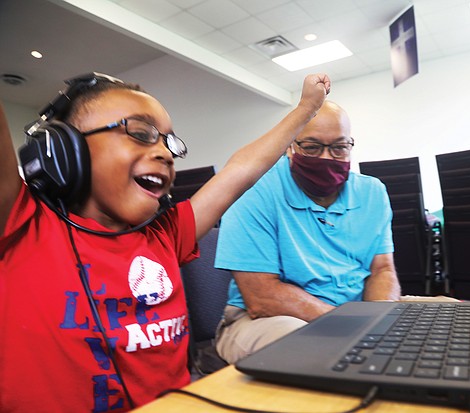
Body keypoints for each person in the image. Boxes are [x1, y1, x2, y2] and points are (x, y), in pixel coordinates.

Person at [0, 72, 330, 412]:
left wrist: (307, 108)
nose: (165, 153)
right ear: (64, 150)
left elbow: (241, 169)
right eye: (141, 134)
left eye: (169, 143)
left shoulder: (167, 234)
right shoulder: (19, 223)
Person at [214, 101, 401, 364]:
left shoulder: (373, 192)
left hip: (357, 311)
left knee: (453, 317)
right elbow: (261, 297)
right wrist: (353, 326)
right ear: (289, 146)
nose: (326, 158)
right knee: (316, 349)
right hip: (270, 320)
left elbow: (382, 269)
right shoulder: (253, 190)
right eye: (312, 147)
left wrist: (380, 321)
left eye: (339, 147)